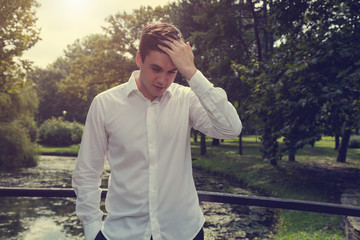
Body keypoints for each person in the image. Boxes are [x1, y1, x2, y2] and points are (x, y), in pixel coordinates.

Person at [72, 22, 242, 240]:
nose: (163, 80)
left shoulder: (187, 99)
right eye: (156, 69)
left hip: (184, 233)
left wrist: (191, 72)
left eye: (172, 72)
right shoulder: (104, 104)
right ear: (139, 59)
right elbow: (86, 172)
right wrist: (92, 230)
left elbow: (230, 128)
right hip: (124, 234)